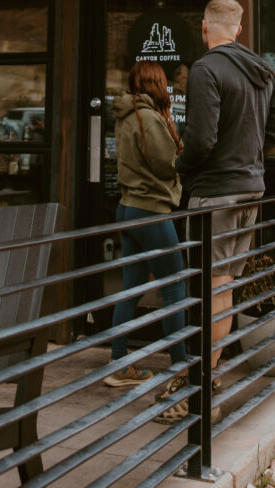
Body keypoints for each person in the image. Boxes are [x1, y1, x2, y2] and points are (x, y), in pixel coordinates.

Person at [157, 0, 275, 422]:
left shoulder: (206, 69)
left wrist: (180, 167)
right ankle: (205, 380)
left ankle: (200, 391)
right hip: (250, 189)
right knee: (221, 287)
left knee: (208, 290)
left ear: (204, 27)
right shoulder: (263, 69)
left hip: (215, 193)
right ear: (239, 30)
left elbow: (201, 140)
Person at [103, 60, 188, 390]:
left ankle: (119, 362)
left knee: (131, 288)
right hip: (150, 210)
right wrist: (179, 148)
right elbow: (166, 164)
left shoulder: (126, 115)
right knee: (174, 288)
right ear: (156, 84)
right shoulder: (149, 118)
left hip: (127, 208)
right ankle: (181, 364)